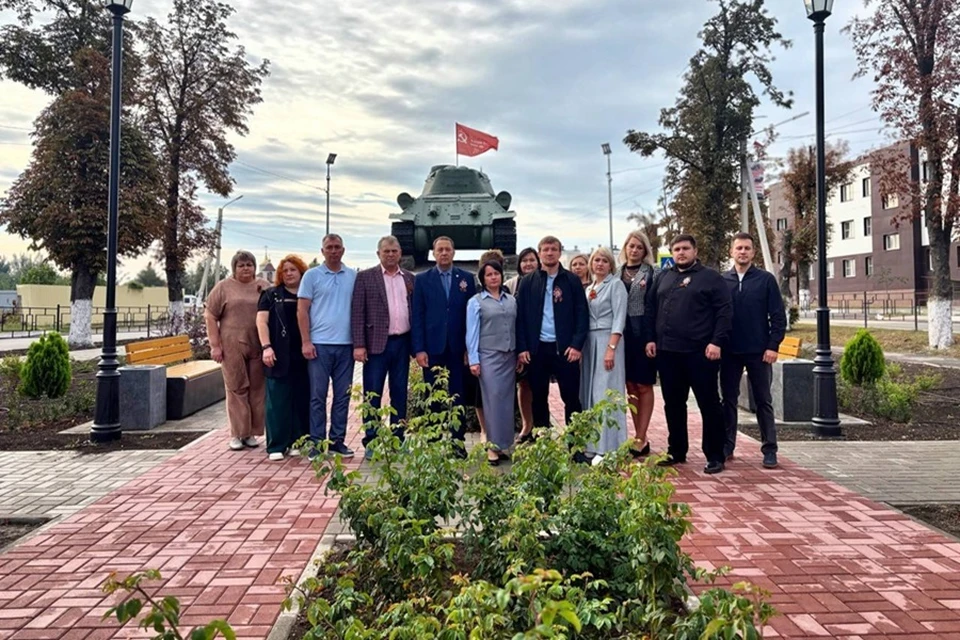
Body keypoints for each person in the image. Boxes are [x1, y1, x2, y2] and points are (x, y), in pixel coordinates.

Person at [645, 234, 732, 475]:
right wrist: (650, 338)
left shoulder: (711, 278)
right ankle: (676, 450)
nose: (681, 253)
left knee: (709, 404)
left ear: (695, 251)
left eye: (685, 248)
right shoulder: (664, 277)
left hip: (700, 353)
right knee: (673, 404)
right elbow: (651, 309)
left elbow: (724, 312)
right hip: (668, 352)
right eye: (676, 249)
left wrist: (716, 342)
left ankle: (715, 455)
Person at [720, 232, 787, 469]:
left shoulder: (765, 280)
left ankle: (770, 449)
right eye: (739, 248)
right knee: (728, 400)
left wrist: (773, 346)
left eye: (747, 248)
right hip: (729, 351)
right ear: (731, 252)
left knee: (763, 400)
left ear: (753, 252)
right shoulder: (722, 281)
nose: (743, 252)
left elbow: (778, 317)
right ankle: (727, 446)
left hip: (759, 351)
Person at [351, 235, 415, 460]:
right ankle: (372, 441)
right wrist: (359, 344)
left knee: (400, 392)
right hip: (375, 345)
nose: (390, 254)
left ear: (400, 253)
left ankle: (398, 438)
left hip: (402, 343)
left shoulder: (409, 278)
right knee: (373, 394)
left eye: (394, 251)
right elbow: (357, 312)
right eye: (386, 251)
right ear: (378, 254)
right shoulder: (365, 277)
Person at [516, 236, 589, 433]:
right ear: (539, 253)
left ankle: (575, 443)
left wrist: (576, 345)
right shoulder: (528, 282)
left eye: (553, 249)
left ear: (559, 252)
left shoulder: (571, 280)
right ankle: (543, 442)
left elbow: (582, 314)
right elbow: (520, 318)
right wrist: (522, 347)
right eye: (545, 249)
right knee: (539, 398)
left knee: (571, 398)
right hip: (537, 349)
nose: (549, 253)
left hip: (565, 349)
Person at [411, 236, 477, 452]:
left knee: (458, 395)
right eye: (440, 250)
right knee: (433, 396)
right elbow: (417, 316)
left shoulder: (466, 278)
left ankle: (457, 442)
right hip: (432, 348)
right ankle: (433, 442)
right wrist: (419, 349)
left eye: (448, 249)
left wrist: (469, 349)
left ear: (453, 252)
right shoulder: (422, 280)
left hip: (458, 348)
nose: (444, 253)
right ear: (434, 253)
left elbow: (472, 317)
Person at [205, 251, 272, 451]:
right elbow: (210, 315)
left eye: (249, 264)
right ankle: (237, 433)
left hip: (258, 344)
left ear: (254, 267)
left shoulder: (264, 286)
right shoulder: (223, 287)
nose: (245, 268)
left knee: (257, 389)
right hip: (232, 345)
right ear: (234, 267)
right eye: (241, 265)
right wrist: (215, 345)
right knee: (236, 387)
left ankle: (250, 433)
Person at [298, 234, 357, 458]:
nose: (333, 251)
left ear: (343, 250)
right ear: (322, 251)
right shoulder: (311, 276)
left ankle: (337, 441)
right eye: (329, 247)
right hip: (319, 345)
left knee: (342, 397)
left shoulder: (352, 276)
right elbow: (302, 310)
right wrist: (306, 341)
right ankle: (316, 442)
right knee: (317, 396)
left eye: (337, 247)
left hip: (346, 345)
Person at [256, 255, 310, 461]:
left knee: (300, 398)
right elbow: (261, 322)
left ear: (301, 272)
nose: (289, 273)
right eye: (285, 270)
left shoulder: (308, 293)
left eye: (293, 269)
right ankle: (276, 445)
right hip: (278, 353)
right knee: (277, 401)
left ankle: (297, 441)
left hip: (303, 353)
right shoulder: (270, 295)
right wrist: (266, 347)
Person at [466, 260, 518, 465]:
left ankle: (502, 445)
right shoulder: (476, 302)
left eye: (496, 273)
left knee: (506, 403)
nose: (493, 277)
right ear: (483, 279)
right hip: (488, 357)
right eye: (489, 274)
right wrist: (474, 360)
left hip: (509, 357)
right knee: (492, 401)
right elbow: (472, 333)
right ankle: (491, 446)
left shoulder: (511, 300)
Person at [580, 247, 628, 460]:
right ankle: (593, 443)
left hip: (608, 340)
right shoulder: (590, 287)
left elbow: (619, 317)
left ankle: (609, 447)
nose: (599, 264)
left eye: (604, 261)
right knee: (590, 393)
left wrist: (611, 348)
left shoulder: (615, 285)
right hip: (590, 342)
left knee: (605, 393)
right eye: (596, 260)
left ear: (611, 265)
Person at [618, 231, 659, 458]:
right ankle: (638, 436)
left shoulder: (653, 273)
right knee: (630, 386)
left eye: (639, 247)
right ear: (625, 247)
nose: (634, 250)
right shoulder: (616, 273)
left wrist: (651, 337)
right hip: (622, 336)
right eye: (631, 246)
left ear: (645, 251)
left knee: (644, 385)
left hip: (644, 335)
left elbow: (654, 306)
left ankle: (642, 436)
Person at [504, 247, 540, 442]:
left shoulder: (545, 282)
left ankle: (541, 426)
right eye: (524, 260)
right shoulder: (512, 284)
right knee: (523, 385)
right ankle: (526, 426)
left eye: (532, 260)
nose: (528, 264)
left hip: (541, 342)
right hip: (519, 341)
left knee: (540, 386)